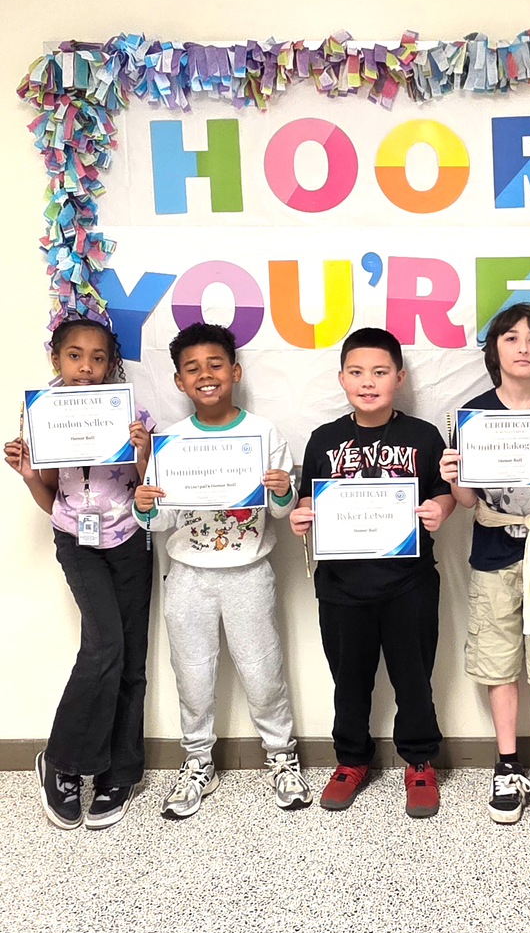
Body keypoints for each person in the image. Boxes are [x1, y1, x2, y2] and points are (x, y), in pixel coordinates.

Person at [133, 322, 311, 818]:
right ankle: (197, 762)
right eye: (192, 368)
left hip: (248, 572)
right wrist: (145, 505)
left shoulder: (263, 433)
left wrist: (283, 491)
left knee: (263, 669)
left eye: (215, 364)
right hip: (188, 575)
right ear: (179, 381)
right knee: (191, 673)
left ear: (235, 371)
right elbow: (161, 520)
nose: (205, 375)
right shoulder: (171, 442)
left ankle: (281, 756)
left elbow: (281, 512)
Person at [289, 328, 455, 819]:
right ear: (341, 378)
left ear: (399, 378)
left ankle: (419, 760)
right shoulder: (323, 439)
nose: (368, 382)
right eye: (357, 372)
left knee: (414, 677)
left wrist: (441, 510)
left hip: (409, 583)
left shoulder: (423, 436)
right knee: (349, 680)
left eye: (380, 372)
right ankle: (350, 759)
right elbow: (307, 499)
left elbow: (444, 493)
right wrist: (301, 516)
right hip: (341, 587)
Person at [440, 303, 530, 827]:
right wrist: (454, 476)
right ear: (494, 350)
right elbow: (465, 502)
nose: (523, 348)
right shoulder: (473, 415)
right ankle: (507, 764)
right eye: (511, 338)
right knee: (497, 657)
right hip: (493, 550)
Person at [4, 317, 154, 830]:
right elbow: (50, 496)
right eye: (74, 355)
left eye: (97, 357)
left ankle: (119, 772)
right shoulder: (42, 414)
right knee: (104, 645)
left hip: (130, 538)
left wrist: (143, 452)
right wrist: (28, 474)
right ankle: (62, 762)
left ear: (110, 364)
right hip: (76, 539)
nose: (86, 366)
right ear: (56, 359)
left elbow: (148, 488)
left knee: (131, 658)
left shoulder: (131, 414)